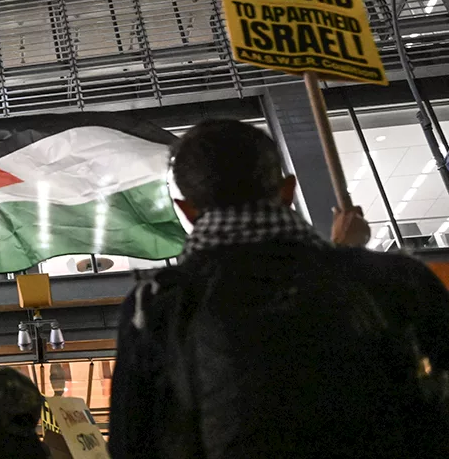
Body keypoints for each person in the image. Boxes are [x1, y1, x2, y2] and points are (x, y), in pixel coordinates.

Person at [109, 119, 449, 459]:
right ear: (288, 191)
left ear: (187, 209)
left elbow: (132, 444)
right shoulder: (397, 278)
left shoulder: (156, 304)